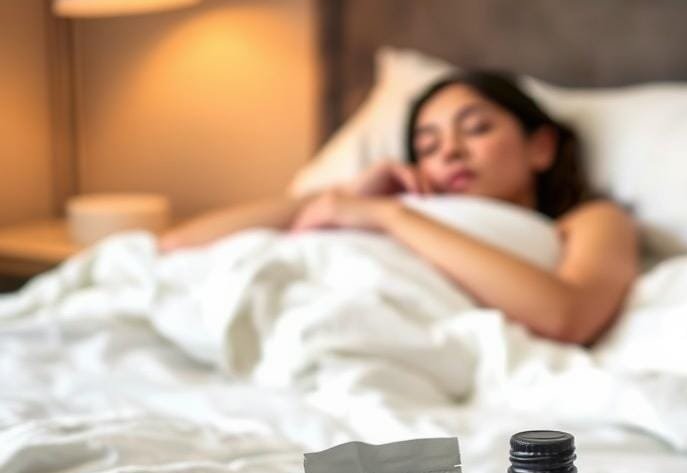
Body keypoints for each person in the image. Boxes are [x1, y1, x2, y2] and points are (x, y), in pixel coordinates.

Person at [159, 71, 637, 345]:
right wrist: (344, 195)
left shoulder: (590, 220)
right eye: (427, 146)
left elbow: (567, 315)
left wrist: (390, 217)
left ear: (541, 147)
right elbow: (177, 245)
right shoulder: (373, 204)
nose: (449, 152)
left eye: (476, 129)